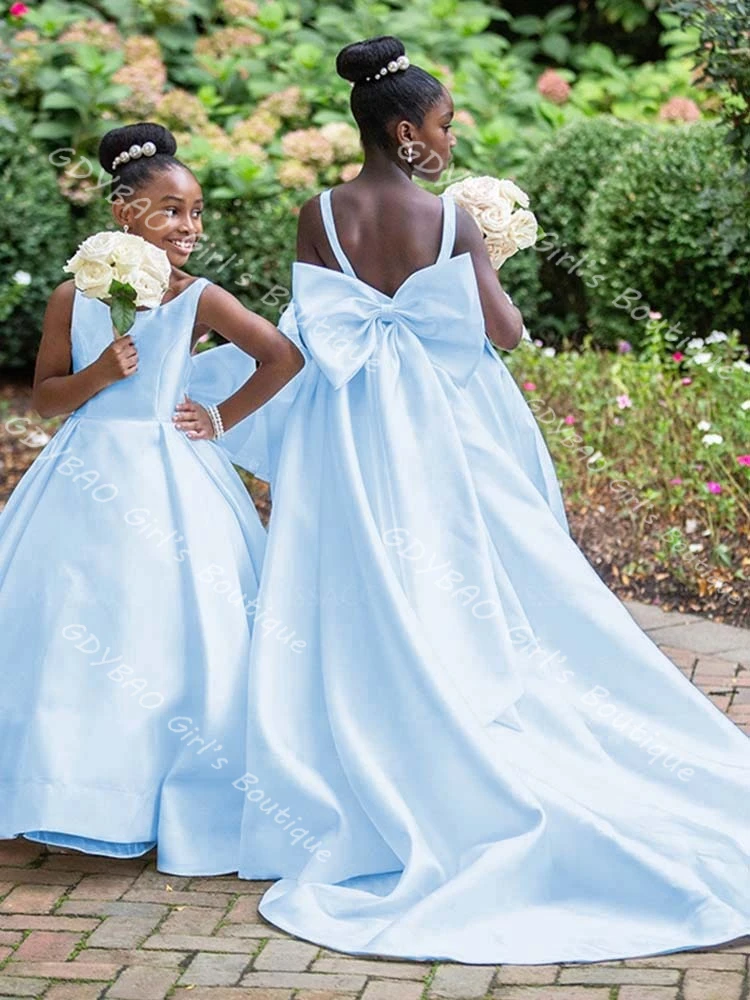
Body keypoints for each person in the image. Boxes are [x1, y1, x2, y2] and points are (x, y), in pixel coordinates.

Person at [226, 37, 750, 964]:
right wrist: (487, 257)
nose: (451, 138)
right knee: (452, 549)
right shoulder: (445, 218)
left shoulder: (319, 211)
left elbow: (313, 323)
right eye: (444, 124)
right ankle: (459, 676)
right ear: (406, 132)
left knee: (353, 563)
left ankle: (362, 714)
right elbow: (499, 332)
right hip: (431, 420)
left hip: (349, 422)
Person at [0, 122, 304, 876]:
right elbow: (43, 400)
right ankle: (56, 788)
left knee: (168, 626)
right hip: (82, 476)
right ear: (125, 210)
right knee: (69, 620)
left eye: (197, 212)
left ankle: (167, 788)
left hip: (172, 478)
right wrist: (100, 372)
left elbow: (281, 355)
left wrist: (223, 416)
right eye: (171, 211)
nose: (189, 227)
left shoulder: (197, 296)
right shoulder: (74, 294)